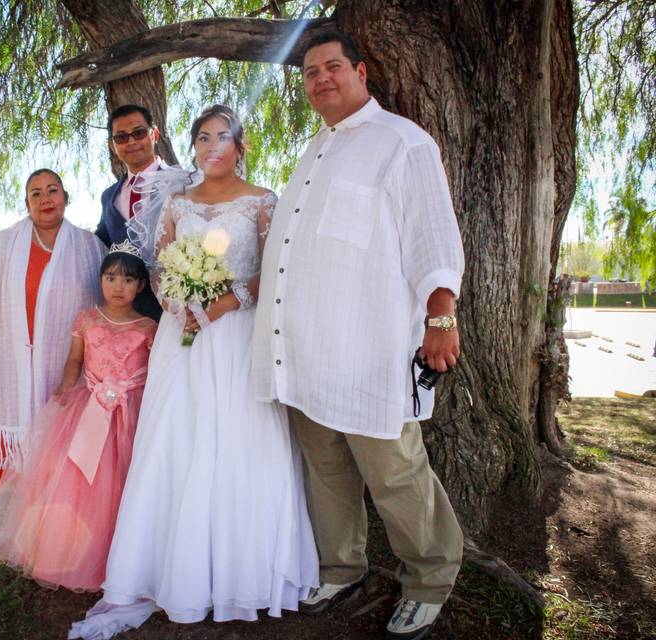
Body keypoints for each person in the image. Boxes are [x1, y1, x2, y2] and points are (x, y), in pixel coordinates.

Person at [70, 105, 318, 640]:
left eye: (221, 137)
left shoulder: (263, 201)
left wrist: (228, 301)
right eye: (202, 137)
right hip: (181, 338)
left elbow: (275, 271)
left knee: (237, 441)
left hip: (236, 334)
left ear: (240, 145)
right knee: (176, 442)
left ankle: (240, 572)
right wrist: (177, 299)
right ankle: (171, 569)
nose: (211, 146)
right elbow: (158, 267)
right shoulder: (178, 202)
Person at [252, 31, 466, 640]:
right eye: (310, 72)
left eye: (332, 67)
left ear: (361, 71)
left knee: (395, 470)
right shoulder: (313, 149)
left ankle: (429, 578)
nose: (321, 79)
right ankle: (343, 566)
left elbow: (434, 239)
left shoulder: (403, 143)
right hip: (305, 350)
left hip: (367, 347)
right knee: (325, 468)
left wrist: (441, 317)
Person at [0, 245, 156, 591]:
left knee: (123, 481)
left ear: (140, 285)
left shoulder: (149, 326)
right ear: (100, 280)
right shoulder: (87, 319)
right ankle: (70, 554)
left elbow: (153, 371)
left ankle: (124, 558)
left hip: (130, 412)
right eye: (110, 277)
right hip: (87, 406)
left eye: (127, 279)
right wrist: (65, 388)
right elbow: (75, 360)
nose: (118, 286)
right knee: (81, 482)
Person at [0, 169, 105, 486]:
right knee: (19, 473)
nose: (45, 198)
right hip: (8, 364)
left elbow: (105, 306)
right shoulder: (5, 244)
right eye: (36, 193)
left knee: (59, 464)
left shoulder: (90, 247)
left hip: (66, 366)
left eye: (53, 190)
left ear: (66, 198)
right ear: (27, 203)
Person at [95, 104, 170, 321]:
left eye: (138, 133)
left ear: (154, 134)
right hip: (127, 318)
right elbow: (99, 244)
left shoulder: (182, 184)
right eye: (121, 137)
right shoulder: (109, 197)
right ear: (113, 145)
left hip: (174, 312)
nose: (131, 142)